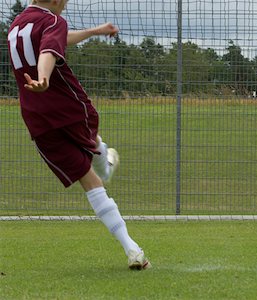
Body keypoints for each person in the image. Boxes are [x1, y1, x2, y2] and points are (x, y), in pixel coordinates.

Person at [7, 0, 150, 269]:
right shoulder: (52, 20)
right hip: (68, 108)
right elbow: (49, 50)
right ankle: (106, 162)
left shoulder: (17, 24)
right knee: (94, 163)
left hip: (37, 119)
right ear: (57, 0)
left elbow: (55, 41)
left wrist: (94, 31)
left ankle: (133, 250)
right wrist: (44, 77)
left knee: (88, 178)